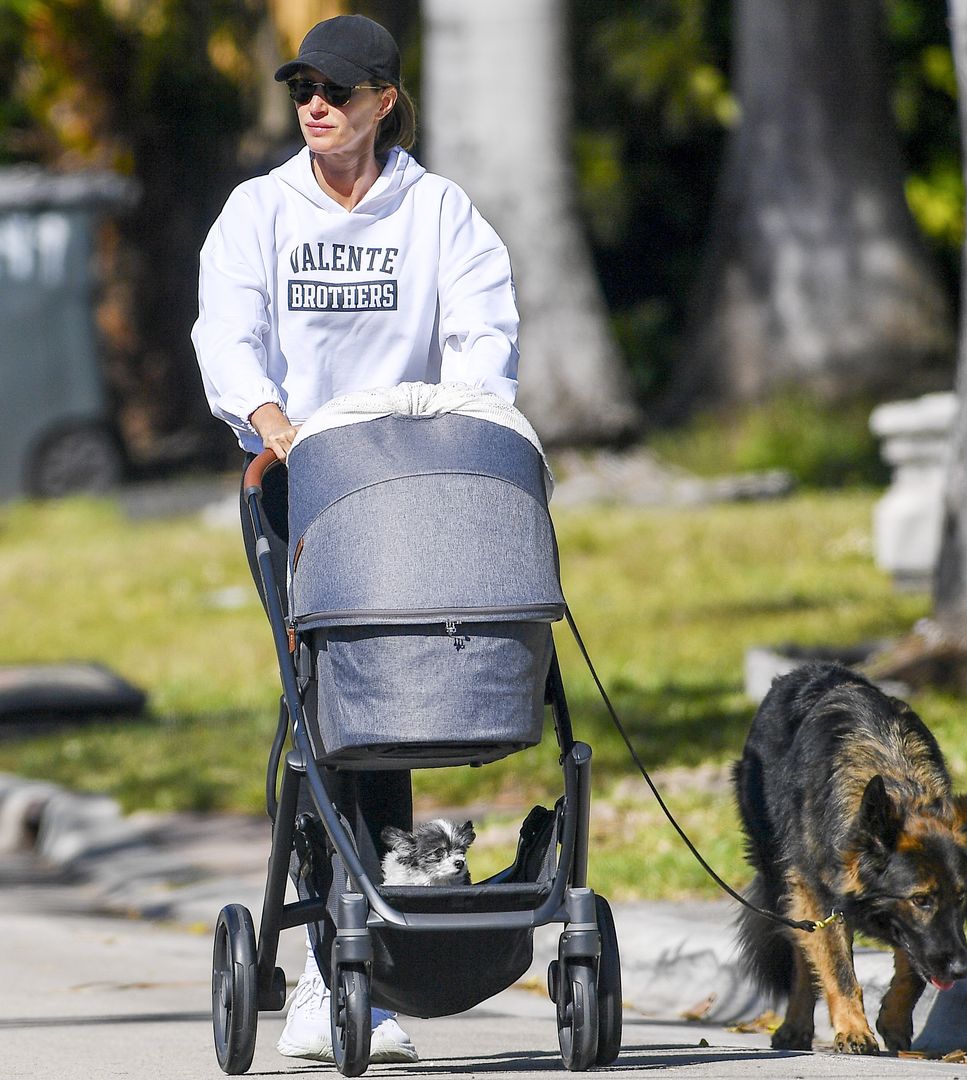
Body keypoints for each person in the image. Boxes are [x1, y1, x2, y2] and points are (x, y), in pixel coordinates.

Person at [191, 13, 520, 1065]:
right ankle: (343, 971)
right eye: (303, 88)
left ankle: (374, 941)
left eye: (337, 88)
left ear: (384, 100)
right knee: (331, 704)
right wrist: (274, 426)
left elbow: (483, 336)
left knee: (407, 700)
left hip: (418, 490)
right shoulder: (260, 212)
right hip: (300, 490)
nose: (315, 104)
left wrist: (461, 418)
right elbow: (226, 336)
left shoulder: (438, 213)